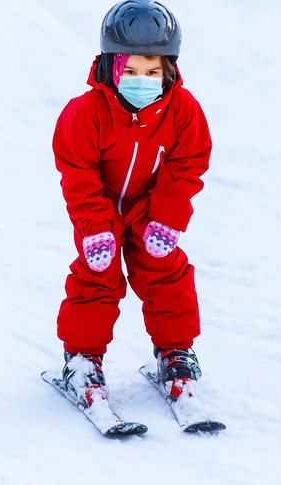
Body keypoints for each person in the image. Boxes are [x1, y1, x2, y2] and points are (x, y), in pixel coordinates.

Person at [52, 0, 212, 409]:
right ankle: (82, 361)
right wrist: (94, 226)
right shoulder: (85, 113)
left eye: (152, 72)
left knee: (167, 275)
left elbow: (188, 164)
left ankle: (175, 352)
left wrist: (167, 218)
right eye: (131, 71)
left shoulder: (183, 111)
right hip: (101, 210)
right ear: (110, 66)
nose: (142, 80)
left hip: (150, 210)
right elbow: (78, 173)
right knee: (97, 278)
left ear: (168, 71)